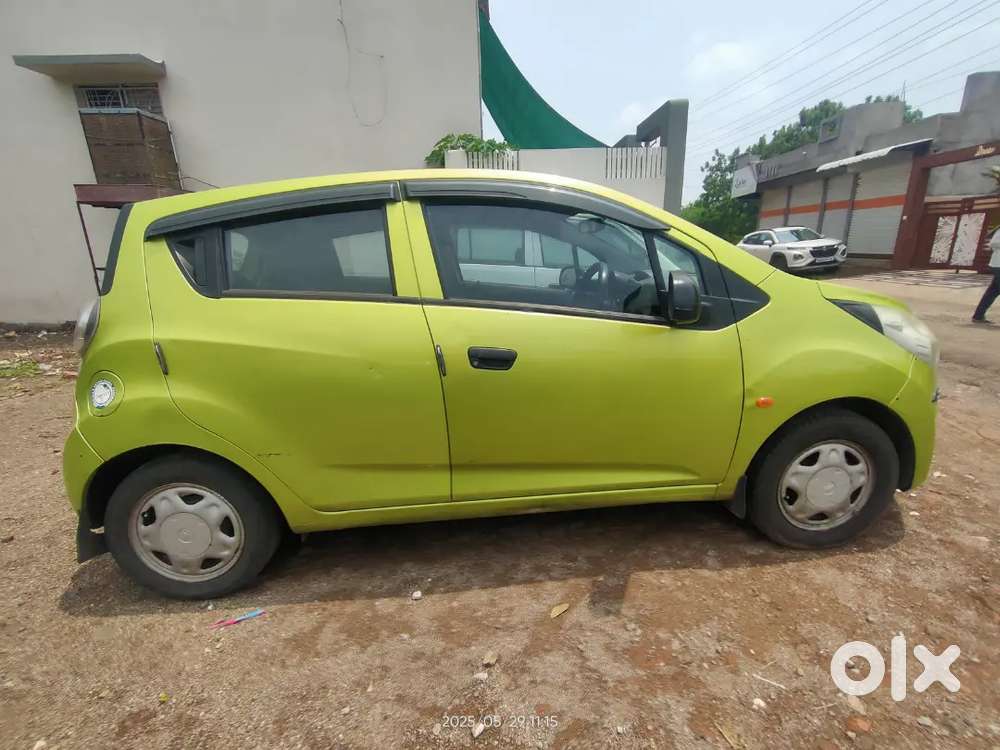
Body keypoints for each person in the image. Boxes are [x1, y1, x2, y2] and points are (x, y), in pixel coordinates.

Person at [972, 226, 1000, 324]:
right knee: (992, 292)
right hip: (998, 264)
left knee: (992, 292)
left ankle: (978, 316)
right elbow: (993, 243)